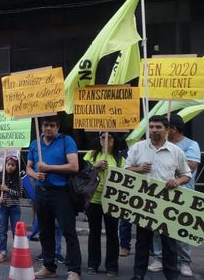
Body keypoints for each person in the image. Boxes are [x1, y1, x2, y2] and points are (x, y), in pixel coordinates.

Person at [125, 115, 191, 280]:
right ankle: (138, 274)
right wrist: (138, 168)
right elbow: (125, 170)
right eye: (151, 127)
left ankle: (171, 275)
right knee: (142, 242)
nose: (154, 130)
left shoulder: (176, 152)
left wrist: (176, 181)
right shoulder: (138, 148)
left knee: (169, 244)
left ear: (167, 130)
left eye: (158, 127)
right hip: (143, 203)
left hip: (166, 205)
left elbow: (186, 175)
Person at [27, 115, 81, 280]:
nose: (47, 128)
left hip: (61, 193)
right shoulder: (35, 143)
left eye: (51, 125)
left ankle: (74, 270)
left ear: (57, 127)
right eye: (45, 125)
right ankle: (49, 266)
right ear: (41, 126)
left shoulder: (66, 141)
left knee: (68, 231)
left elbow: (74, 166)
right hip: (42, 193)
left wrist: (48, 168)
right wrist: (36, 175)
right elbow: (28, 167)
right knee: (45, 232)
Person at [148, 114, 199, 277]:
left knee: (181, 229)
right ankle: (158, 258)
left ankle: (184, 262)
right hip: (160, 193)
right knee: (157, 228)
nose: (157, 131)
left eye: (163, 127)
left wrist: (172, 159)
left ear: (172, 129)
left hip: (183, 194)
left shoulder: (191, 145)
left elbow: (191, 165)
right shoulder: (161, 145)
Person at [84, 132, 122, 276]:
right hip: (94, 199)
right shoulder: (91, 155)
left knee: (112, 233)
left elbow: (125, 175)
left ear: (114, 140)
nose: (105, 140)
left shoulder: (119, 158)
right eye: (102, 137)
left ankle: (112, 266)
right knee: (94, 232)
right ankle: (93, 264)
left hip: (112, 200)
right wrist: (95, 165)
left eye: (109, 137)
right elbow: (83, 172)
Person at [0, 154, 22, 263]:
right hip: (3, 207)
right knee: (2, 230)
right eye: (8, 164)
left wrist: (7, 189)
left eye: (13, 165)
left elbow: (20, 194)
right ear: (5, 165)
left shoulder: (18, 178)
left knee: (16, 231)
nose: (10, 167)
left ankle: (17, 252)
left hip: (15, 207)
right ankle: (3, 252)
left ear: (16, 166)